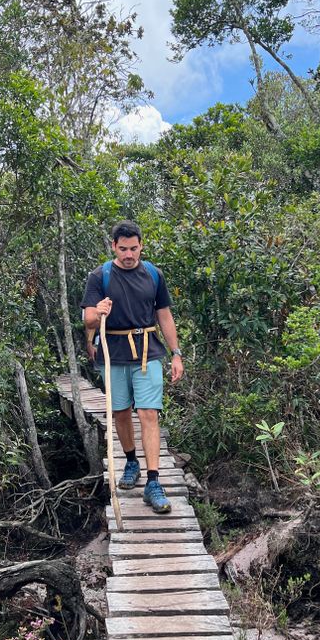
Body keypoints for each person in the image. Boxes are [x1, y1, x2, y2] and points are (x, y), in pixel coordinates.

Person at [82, 220, 184, 514]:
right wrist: (97, 312)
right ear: (114, 246)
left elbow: (164, 315)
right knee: (121, 412)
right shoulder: (99, 276)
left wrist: (176, 353)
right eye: (123, 249)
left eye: (134, 248)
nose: (129, 254)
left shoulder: (153, 274)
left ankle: (154, 482)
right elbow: (88, 319)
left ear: (141, 245)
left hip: (147, 351)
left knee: (149, 412)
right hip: (112, 352)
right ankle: (130, 461)